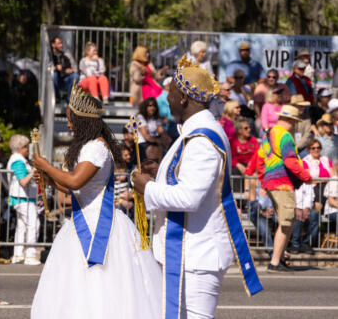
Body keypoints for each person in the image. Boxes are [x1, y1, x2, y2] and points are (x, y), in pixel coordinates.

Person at [132, 55, 262, 318]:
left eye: (170, 92)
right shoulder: (195, 131)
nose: (165, 99)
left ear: (184, 98)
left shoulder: (202, 137)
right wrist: (160, 174)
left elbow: (189, 197)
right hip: (189, 251)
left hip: (198, 254)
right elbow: (190, 179)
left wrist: (148, 188)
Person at [31, 86, 162, 319]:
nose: (69, 125)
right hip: (84, 219)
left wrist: (46, 166)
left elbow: (74, 181)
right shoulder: (90, 145)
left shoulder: (96, 148)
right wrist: (49, 180)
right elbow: (76, 187)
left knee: (101, 282)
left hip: (100, 224)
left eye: (72, 121)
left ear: (83, 121)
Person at [257, 104, 312, 272]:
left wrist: (263, 181)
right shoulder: (285, 136)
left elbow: (260, 159)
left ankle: (279, 258)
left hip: (272, 182)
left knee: (284, 222)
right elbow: (289, 161)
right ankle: (275, 262)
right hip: (282, 183)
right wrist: (305, 176)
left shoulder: (268, 135)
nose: (294, 125)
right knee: (286, 222)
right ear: (290, 121)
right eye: (294, 121)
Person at [6, 134, 40, 266]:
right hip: (22, 198)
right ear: (20, 147)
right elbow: (23, 181)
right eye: (26, 147)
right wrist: (33, 172)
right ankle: (30, 255)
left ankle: (18, 254)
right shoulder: (18, 161)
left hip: (22, 198)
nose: (28, 149)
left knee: (22, 227)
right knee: (33, 224)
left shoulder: (19, 160)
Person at [230, 117, 259, 193]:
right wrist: (237, 165)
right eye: (246, 128)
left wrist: (250, 167)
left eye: (249, 127)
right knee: (234, 171)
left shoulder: (253, 141)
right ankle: (238, 197)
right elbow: (230, 157)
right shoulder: (233, 141)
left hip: (251, 165)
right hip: (238, 166)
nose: (249, 130)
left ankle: (252, 199)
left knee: (254, 175)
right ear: (239, 130)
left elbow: (257, 156)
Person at [51, 36, 79, 101]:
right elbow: (46, 69)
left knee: (75, 76)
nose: (61, 45)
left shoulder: (67, 54)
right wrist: (55, 68)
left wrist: (71, 70)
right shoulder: (50, 56)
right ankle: (57, 97)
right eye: (59, 43)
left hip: (66, 80)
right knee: (54, 74)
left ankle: (69, 98)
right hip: (54, 81)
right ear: (53, 45)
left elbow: (76, 69)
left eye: (61, 43)